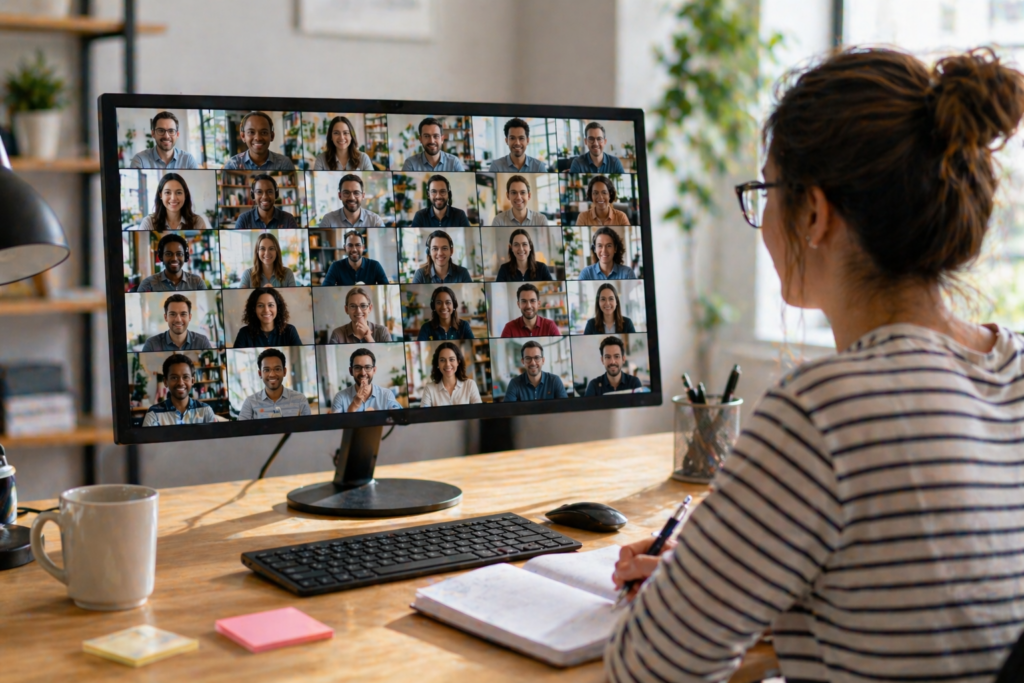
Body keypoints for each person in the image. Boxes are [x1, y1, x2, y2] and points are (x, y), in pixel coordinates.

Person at [606, 48, 1024, 683]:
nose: (762, 218)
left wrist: (684, 602)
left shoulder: (824, 411)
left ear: (813, 213)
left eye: (765, 190)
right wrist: (747, 587)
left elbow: (645, 671)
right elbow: (955, 608)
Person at [141, 353, 217, 425]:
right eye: (174, 377)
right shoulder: (154, 414)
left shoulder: (205, 411)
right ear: (165, 382)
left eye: (185, 377)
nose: (180, 383)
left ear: (192, 381)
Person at [237, 348, 312, 419]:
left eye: (277, 369)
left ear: (284, 372)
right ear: (260, 374)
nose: (272, 374)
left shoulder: (300, 399)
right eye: (266, 370)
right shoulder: (250, 402)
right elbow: (240, 431)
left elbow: (309, 430)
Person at [330, 348, 403, 412]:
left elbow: (402, 417)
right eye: (357, 367)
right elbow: (335, 425)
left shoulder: (386, 395)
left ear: (374, 370)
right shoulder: (340, 397)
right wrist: (354, 404)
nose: (363, 373)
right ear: (351, 371)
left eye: (367, 367)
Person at [232, 286, 302, 347]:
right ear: (254, 309)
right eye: (260, 305)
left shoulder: (290, 331)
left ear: (278, 307)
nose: (266, 310)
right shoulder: (244, 333)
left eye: (270, 305)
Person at [137, 234, 209, 292]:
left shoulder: (197, 283)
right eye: (168, 254)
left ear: (185, 256)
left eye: (179, 254)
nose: (174, 258)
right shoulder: (147, 284)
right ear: (161, 256)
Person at [224, 111, 295, 171]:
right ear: (243, 136)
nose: (258, 138)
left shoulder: (284, 163)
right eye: (251, 132)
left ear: (272, 136)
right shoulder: (232, 164)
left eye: (264, 132)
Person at [137, 173, 208, 231]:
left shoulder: (198, 222)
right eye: (167, 192)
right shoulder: (148, 223)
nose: (173, 198)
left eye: (179, 192)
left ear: (185, 195)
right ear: (160, 195)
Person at [141, 294, 213, 351]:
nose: (178, 319)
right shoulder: (151, 344)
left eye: (183, 314)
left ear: (190, 317)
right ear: (166, 317)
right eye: (172, 314)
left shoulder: (202, 342)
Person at [129, 111, 199, 169]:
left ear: (177, 134)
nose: (166, 136)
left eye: (171, 131)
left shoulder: (188, 160)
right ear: (153, 133)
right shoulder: (140, 160)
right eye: (161, 130)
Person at [420, 342, 482, 407]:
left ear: (458, 361)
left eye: (451, 359)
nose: (447, 364)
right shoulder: (429, 388)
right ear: (437, 364)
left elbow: (479, 413)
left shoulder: (470, 385)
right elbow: (424, 415)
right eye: (442, 360)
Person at [503, 341, 567, 401]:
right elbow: (507, 410)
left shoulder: (555, 381)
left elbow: (565, 409)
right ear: (523, 361)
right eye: (528, 358)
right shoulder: (514, 383)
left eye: (537, 358)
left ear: (543, 360)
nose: (533, 363)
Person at [322, 230, 390, 286]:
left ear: (363, 248)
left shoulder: (375, 266)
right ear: (344, 248)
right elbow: (324, 290)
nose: (354, 249)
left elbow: (386, 288)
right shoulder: (335, 267)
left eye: (358, 245)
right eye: (350, 245)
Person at [234, 174, 299, 230]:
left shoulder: (288, 219)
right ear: (253, 195)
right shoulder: (243, 220)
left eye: (270, 191)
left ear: (276, 194)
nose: (265, 197)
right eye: (259, 192)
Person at [319, 174, 385, 227]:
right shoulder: (328, 220)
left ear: (363, 196)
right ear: (340, 195)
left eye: (356, 193)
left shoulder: (375, 220)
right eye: (346, 193)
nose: (352, 198)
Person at [401, 117, 466, 171]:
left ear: (442, 139)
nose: (432, 141)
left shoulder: (454, 163)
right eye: (426, 136)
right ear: (420, 139)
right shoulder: (410, 164)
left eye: (436, 136)